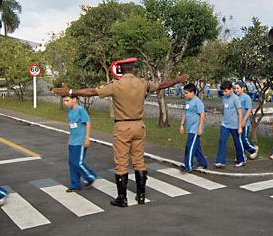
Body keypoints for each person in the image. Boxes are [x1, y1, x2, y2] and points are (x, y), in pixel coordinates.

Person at [51, 57, 187, 207]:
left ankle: (122, 198)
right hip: (139, 126)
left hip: (122, 127)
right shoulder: (143, 83)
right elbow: (162, 85)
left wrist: (70, 91)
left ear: (121, 70)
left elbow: (92, 92)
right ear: (133, 69)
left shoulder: (116, 85)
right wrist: (178, 80)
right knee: (139, 161)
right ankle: (141, 196)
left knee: (121, 163)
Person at [63, 95, 99, 192]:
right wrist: (69, 139)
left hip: (80, 141)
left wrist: (87, 138)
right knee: (72, 163)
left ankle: (91, 176)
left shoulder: (81, 110)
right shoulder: (70, 111)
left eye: (67, 100)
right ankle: (75, 184)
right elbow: (72, 127)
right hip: (73, 141)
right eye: (64, 101)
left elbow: (88, 123)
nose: (65, 103)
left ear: (74, 99)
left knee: (77, 163)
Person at [216, 81, 246, 168]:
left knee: (237, 142)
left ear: (231, 90)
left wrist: (240, 127)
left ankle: (241, 160)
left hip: (235, 125)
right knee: (222, 141)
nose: (224, 93)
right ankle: (220, 161)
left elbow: (240, 113)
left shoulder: (235, 98)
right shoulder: (224, 97)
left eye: (226, 91)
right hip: (225, 124)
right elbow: (219, 92)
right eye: (223, 91)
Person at [180, 83, 208, 172]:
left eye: (186, 93)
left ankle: (188, 166)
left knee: (190, 146)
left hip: (195, 128)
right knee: (196, 147)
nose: (185, 95)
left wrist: (199, 128)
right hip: (189, 128)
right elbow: (185, 113)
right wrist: (182, 125)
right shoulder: (187, 101)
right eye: (184, 93)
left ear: (193, 92)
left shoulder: (198, 102)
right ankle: (203, 163)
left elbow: (202, 115)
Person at [235, 82, 259, 159]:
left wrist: (244, 120)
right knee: (238, 141)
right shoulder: (235, 97)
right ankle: (241, 155)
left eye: (238, 88)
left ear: (243, 88)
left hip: (244, 123)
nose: (236, 90)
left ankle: (253, 149)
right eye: (235, 88)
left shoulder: (246, 97)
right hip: (236, 123)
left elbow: (249, 110)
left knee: (243, 139)